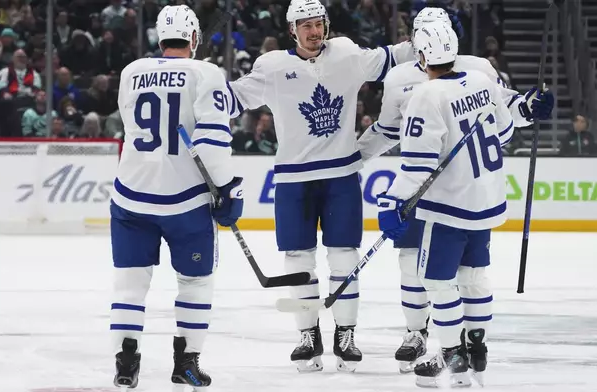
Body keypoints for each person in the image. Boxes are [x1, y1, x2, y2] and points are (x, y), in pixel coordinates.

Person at [357, 7, 555, 374]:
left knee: (436, 275)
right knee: (431, 269)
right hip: (472, 196)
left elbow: (507, 107)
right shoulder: (408, 78)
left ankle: (452, 349)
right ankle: (423, 335)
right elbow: (388, 130)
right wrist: (356, 155)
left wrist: (529, 106)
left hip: (439, 196)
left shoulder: (471, 72)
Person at [227, 0, 414, 373]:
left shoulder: (347, 53)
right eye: (305, 25)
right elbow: (230, 99)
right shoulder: (272, 67)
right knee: (298, 259)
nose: (314, 31)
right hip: (293, 179)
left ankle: (346, 335)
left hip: (341, 175)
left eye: (318, 23)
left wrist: (427, 31)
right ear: (291, 30)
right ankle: (307, 333)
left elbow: (395, 56)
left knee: (344, 256)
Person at [109, 5, 244, 389]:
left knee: (130, 285)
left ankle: (126, 364)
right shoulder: (207, 73)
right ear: (194, 39)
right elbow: (214, 141)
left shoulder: (131, 72)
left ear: (158, 36)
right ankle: (186, 363)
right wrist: (229, 188)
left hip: (131, 196)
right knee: (196, 283)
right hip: (185, 201)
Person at [376, 22, 513, 388]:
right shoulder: (483, 82)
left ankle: (452, 353)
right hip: (485, 200)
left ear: (421, 56)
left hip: (449, 207)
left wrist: (393, 202)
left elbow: (417, 166)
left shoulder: (426, 95)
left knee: (437, 282)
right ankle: (476, 347)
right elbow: (506, 131)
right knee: (473, 278)